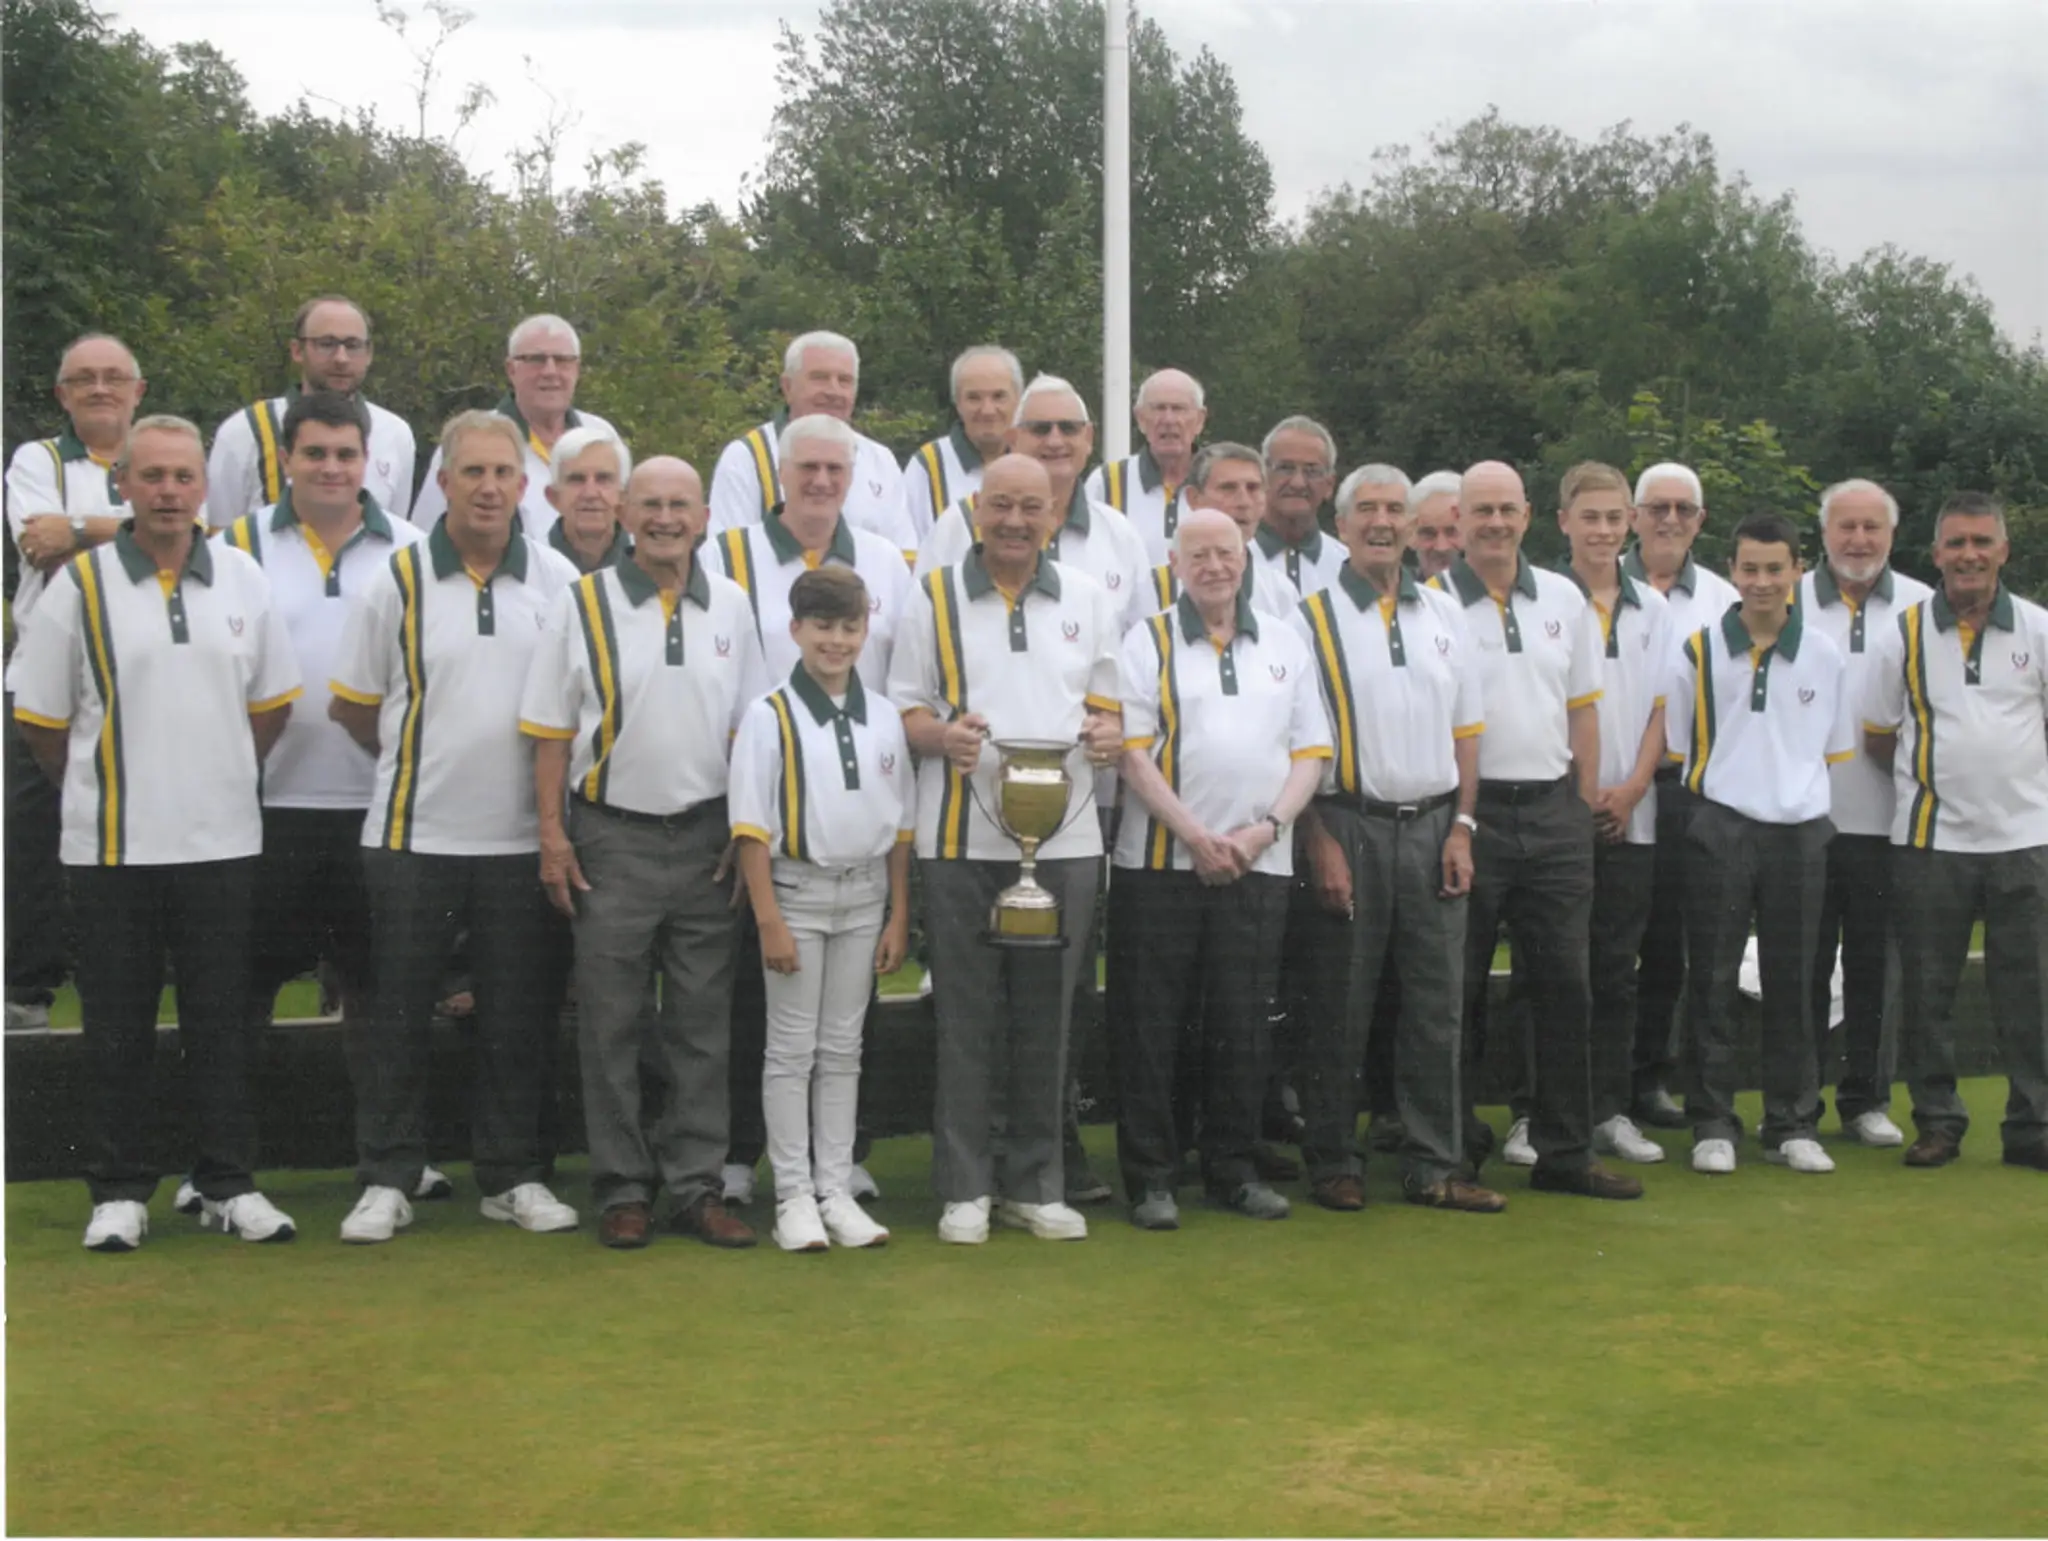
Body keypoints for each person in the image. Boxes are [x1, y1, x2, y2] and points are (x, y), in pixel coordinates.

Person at [10, 415, 303, 1250]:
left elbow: (271, 707)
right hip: (112, 847)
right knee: (116, 1023)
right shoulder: (81, 585)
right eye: (153, 476)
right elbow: (42, 721)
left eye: (183, 476)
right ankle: (119, 1190)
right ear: (126, 487)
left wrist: (207, 776)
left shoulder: (243, 577)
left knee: (221, 1021)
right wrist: (106, 785)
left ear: (203, 486)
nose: (169, 491)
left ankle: (226, 1181)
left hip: (221, 842)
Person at [327, 409, 581, 1243]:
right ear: (442, 482)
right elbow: (355, 709)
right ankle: (388, 1177)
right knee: (396, 1017)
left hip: (520, 843)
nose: (488, 486)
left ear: (525, 485)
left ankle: (513, 1176)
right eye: (471, 471)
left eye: (502, 472)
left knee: (517, 1018)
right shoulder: (394, 581)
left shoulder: (558, 583)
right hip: (411, 840)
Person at [519, 454, 771, 1248]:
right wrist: (552, 835)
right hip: (610, 837)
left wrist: (744, 829)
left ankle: (697, 1186)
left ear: (704, 517)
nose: (666, 518)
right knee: (613, 1023)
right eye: (651, 504)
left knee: (702, 1025)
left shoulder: (730, 602)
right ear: (626, 513)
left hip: (705, 838)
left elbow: (749, 730)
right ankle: (623, 1187)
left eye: (680, 505)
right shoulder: (582, 603)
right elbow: (551, 733)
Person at [888, 452, 1125, 1243]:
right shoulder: (930, 595)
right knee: (965, 1014)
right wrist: (942, 736)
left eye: (1032, 506)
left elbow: (1109, 710)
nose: (1016, 521)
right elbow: (905, 712)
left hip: (1068, 837)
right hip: (958, 838)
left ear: (1054, 515)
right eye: (1001, 506)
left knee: (1048, 1016)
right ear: (975, 510)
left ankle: (1035, 1181)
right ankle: (965, 1186)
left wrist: (1102, 734)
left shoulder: (1088, 599)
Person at [214, 391, 444, 1195]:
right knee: (239, 1000)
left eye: (346, 454)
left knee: (382, 1001)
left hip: (377, 811)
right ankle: (220, 1166)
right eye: (315, 453)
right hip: (262, 811)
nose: (332, 468)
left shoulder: (415, 550)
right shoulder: (233, 546)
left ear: (368, 460)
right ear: (285, 459)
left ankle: (393, 1163)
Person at [1289, 465, 1504, 1214]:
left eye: (1395, 510)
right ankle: (1333, 1158)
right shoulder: (1307, 617)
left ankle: (1435, 1162)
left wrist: (1465, 828)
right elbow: (1297, 742)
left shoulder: (1444, 613)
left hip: (1435, 825)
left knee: (1436, 1005)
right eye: (1367, 510)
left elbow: (1467, 734)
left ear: (1414, 527)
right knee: (1340, 1004)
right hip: (1348, 821)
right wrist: (1318, 840)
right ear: (1341, 525)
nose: (1382, 522)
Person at [711, 412, 912, 1206]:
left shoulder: (888, 565)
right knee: (761, 1012)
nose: (822, 481)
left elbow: (894, 679)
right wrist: (741, 810)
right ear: (781, 475)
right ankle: (744, 1160)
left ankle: (837, 1169)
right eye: (809, 469)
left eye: (836, 468)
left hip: (853, 809)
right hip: (764, 818)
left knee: (839, 1036)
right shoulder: (725, 554)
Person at [1109, 507, 1330, 1227]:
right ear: (1175, 563)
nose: (1213, 566)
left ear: (1244, 559)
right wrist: (1196, 836)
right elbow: (1133, 753)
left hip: (1256, 864)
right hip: (1159, 863)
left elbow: (1311, 753)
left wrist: (1265, 831)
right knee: (1153, 1024)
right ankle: (1152, 1179)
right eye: (1198, 554)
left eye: (1224, 552)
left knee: (1242, 1022)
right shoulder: (1144, 641)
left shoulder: (1287, 644)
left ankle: (1232, 1169)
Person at [1433, 460, 1641, 1199]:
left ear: (1526, 515)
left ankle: (1564, 1149)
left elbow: (1582, 710)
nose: (1494, 522)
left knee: (1565, 985)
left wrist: (1578, 808)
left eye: (1505, 509)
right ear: (1458, 521)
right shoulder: (1431, 605)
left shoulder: (1562, 598)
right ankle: (1452, 1148)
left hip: (1553, 813)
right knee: (1458, 992)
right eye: (1479, 510)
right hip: (1470, 817)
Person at [730, 567, 914, 1250]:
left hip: (865, 896)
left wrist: (898, 914)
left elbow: (899, 826)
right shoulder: (768, 714)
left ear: (865, 630)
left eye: (849, 627)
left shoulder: (887, 715)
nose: (836, 640)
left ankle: (835, 1190)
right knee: (791, 1050)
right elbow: (750, 828)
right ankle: (793, 1196)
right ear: (796, 629)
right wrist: (769, 918)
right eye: (823, 626)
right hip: (797, 897)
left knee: (843, 1050)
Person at [1863, 491, 2048, 1173]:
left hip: (2025, 843)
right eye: (1956, 543)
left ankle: (2033, 1126)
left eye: (1981, 542)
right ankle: (1938, 1123)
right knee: (1928, 993)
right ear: (1936, 553)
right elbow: (1880, 738)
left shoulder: (2038, 628)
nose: (1968, 554)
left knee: (2029, 994)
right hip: (1930, 843)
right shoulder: (1902, 636)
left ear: (2003, 550)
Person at [1668, 511, 1853, 1175]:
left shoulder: (1826, 655)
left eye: (1776, 568)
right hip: (1720, 826)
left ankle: (1792, 1122)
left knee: (1796, 979)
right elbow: (1683, 746)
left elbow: (1830, 749)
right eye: (1750, 568)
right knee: (1712, 977)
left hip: (1800, 833)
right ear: (1733, 570)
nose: (1763, 580)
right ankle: (1713, 1121)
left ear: (1799, 570)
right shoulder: (1697, 649)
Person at [6, 332, 144, 1031]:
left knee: (124, 844)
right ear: (62, 394)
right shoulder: (39, 459)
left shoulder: (159, 456)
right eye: (83, 379)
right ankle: (24, 993)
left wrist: (81, 528)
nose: (99, 388)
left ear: (137, 391)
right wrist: (132, 527)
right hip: (41, 678)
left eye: (113, 377)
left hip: (136, 684)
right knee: (31, 840)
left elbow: (189, 526)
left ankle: (114, 993)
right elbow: (38, 540)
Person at [1799, 479, 1931, 1148]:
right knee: (1804, 967)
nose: (1858, 540)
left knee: (1875, 965)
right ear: (1823, 534)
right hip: (1805, 823)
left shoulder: (1923, 605)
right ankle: (1796, 1105)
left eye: (1871, 528)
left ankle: (1864, 1100)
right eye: (1845, 527)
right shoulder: (1787, 601)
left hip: (1887, 822)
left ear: (1890, 534)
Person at [1556, 462, 1674, 1166]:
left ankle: (1608, 1110)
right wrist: (1578, 794)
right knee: (1555, 969)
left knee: (1614, 969)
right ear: (1564, 520)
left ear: (1630, 522)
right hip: (1559, 816)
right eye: (1589, 517)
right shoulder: (1541, 599)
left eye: (1613, 517)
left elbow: (1663, 710)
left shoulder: (1654, 609)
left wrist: (1630, 787)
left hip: (1633, 814)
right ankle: (1535, 1112)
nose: (1602, 530)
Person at [1626, 461, 1740, 1130]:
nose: (1670, 519)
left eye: (1684, 508)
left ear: (1701, 520)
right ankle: (1592, 1086)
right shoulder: (1593, 586)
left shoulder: (1724, 600)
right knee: (1598, 948)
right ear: (1636, 515)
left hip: (1683, 792)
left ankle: (1646, 1081)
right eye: (1657, 506)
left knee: (1667, 946)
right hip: (1604, 791)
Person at [917, 375, 1148, 631]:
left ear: (1088, 437)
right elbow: (923, 623)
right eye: (1040, 429)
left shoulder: (1119, 534)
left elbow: (1139, 643)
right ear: (1013, 439)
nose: (1055, 440)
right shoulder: (960, 524)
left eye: (1068, 428)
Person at [206, 295, 417, 527]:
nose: (341, 358)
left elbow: (395, 537)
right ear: (297, 350)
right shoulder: (245, 430)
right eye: (326, 344)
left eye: (353, 345)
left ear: (369, 354)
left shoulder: (396, 433)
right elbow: (221, 538)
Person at [708, 331, 916, 555]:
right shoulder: (746, 457)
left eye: (844, 381)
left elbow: (904, 557)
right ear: (787, 387)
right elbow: (728, 559)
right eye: (820, 378)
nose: (833, 391)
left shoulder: (881, 460)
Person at [410, 314, 619, 537]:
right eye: (536, 360)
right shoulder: (468, 440)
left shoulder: (601, 434)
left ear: (577, 369)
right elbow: (425, 535)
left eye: (562, 360)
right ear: (511, 369)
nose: (550, 371)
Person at [1147, 444, 1306, 623]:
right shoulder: (1154, 589)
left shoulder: (1280, 592)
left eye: (1253, 488)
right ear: (1194, 498)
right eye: (1228, 488)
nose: (1244, 502)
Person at [900, 345, 1022, 542]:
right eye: (974, 398)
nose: (988, 410)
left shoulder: (1034, 463)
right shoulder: (929, 466)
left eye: (999, 396)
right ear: (957, 403)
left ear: (1018, 400)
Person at [1085, 368, 1206, 566]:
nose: (1168, 420)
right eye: (1158, 408)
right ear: (1140, 418)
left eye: (1179, 409)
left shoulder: (1221, 482)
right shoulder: (1107, 483)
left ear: (1200, 420)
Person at [1252, 415, 1344, 599]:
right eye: (1285, 468)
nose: (1298, 483)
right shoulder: (1231, 560)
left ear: (1329, 485)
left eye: (1312, 471)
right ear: (1261, 475)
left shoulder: (1347, 566)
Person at [543, 426, 634, 573]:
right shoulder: (531, 567)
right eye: (576, 479)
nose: (590, 493)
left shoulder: (648, 565)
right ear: (553, 497)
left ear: (624, 496)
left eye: (603, 479)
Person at [1408, 470, 1464, 581]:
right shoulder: (1392, 596)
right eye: (1429, 534)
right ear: (1410, 537)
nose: (1442, 548)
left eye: (1452, 532)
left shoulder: (1501, 595)